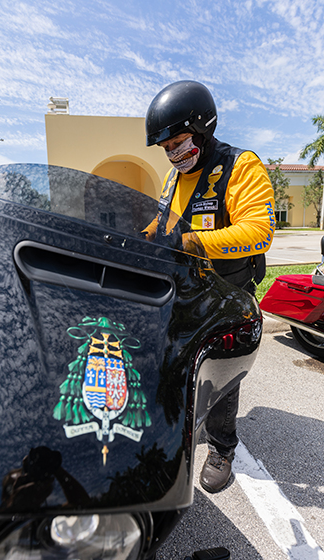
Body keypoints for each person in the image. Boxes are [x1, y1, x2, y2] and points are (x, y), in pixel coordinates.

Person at [143, 80, 275, 493]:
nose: (172, 154)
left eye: (177, 142)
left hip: (228, 294)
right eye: (165, 149)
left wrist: (193, 241)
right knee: (178, 367)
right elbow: (160, 225)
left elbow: (260, 230)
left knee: (219, 372)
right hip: (184, 289)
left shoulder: (240, 165)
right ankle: (185, 428)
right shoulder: (172, 179)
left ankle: (222, 448)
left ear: (203, 128)